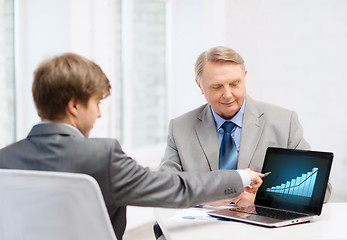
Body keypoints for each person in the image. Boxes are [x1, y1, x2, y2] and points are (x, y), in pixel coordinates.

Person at [0, 53, 264, 240]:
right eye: (97, 103)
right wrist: (240, 177)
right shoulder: (101, 157)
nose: (99, 115)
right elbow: (175, 188)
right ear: (74, 106)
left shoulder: (5, 159)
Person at [159, 46, 331, 204]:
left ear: (244, 77)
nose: (228, 94)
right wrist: (207, 197)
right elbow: (164, 189)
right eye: (217, 86)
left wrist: (261, 199)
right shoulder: (180, 128)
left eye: (235, 84)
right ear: (200, 86)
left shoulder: (284, 123)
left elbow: (321, 190)